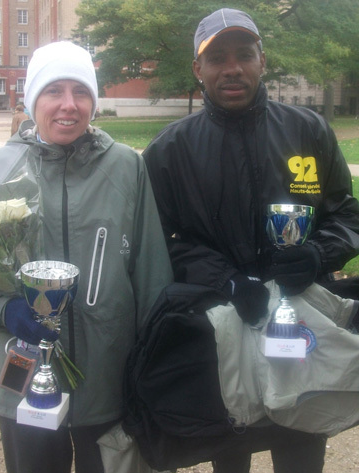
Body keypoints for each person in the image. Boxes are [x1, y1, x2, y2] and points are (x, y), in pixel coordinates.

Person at [143, 7, 359, 473]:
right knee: (232, 445)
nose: (232, 68)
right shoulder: (169, 150)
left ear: (263, 60)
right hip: (225, 326)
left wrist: (318, 253)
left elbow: (346, 213)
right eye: (217, 58)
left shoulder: (307, 130)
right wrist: (227, 279)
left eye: (244, 54)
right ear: (198, 69)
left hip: (303, 324)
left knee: (301, 439)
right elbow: (161, 241)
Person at [0, 41, 173, 473]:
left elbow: (152, 274)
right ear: (33, 98)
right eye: (54, 90)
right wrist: (5, 309)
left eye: (81, 92)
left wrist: (153, 369)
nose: (69, 106)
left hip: (109, 381)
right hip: (22, 381)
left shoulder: (126, 167)